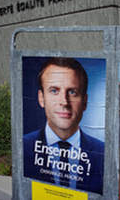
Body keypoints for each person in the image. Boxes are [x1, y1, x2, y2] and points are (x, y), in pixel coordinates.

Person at [23, 57, 104, 194]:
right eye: (54, 91)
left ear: (84, 102)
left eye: (72, 92)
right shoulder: (23, 147)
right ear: (41, 98)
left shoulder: (103, 153)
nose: (64, 102)